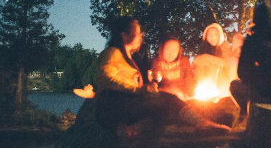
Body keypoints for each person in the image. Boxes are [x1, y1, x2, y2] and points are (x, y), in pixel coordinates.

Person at [94, 16, 230, 140]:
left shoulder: (128, 56)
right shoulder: (112, 52)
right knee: (169, 100)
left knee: (165, 110)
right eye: (138, 33)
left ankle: (131, 130)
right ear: (124, 35)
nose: (141, 36)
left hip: (126, 104)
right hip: (113, 106)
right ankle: (202, 123)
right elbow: (104, 78)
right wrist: (139, 90)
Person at [150, 36, 195, 101]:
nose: (171, 53)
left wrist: (190, 95)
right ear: (162, 49)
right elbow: (154, 85)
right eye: (167, 49)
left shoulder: (184, 61)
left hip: (182, 98)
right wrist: (169, 90)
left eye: (175, 50)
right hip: (164, 98)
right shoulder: (157, 62)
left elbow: (189, 80)